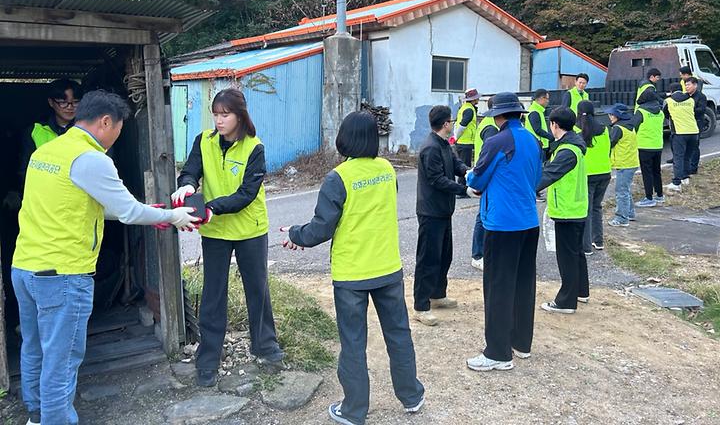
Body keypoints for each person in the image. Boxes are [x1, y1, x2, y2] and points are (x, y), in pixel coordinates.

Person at [12, 91, 199, 425]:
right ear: (105, 121)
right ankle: (55, 420)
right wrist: (173, 216)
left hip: (25, 267)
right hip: (62, 273)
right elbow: (127, 211)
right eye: (119, 129)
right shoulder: (91, 158)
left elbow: (80, 205)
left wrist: (152, 213)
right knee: (62, 359)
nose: (116, 138)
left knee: (35, 347)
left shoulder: (47, 152)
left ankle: (37, 414)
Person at [283, 112, 425, 425]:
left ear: (344, 139)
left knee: (353, 342)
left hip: (352, 275)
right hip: (388, 268)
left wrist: (295, 234)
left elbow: (321, 228)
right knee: (399, 335)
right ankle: (411, 396)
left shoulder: (339, 178)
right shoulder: (387, 170)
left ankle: (354, 411)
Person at [173, 88, 284, 387]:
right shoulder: (204, 141)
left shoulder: (254, 148)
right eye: (216, 115)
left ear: (240, 116)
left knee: (257, 290)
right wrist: (185, 186)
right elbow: (191, 170)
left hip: (250, 229)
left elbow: (247, 194)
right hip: (216, 233)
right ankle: (208, 358)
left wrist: (210, 208)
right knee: (213, 294)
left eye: (225, 115)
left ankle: (265, 345)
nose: (219, 121)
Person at [465, 92, 541, 371]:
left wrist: (469, 178)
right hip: (528, 221)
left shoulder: (497, 141)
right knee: (523, 283)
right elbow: (535, 179)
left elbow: (478, 178)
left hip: (502, 224)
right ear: (519, 114)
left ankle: (497, 352)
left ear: (498, 116)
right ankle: (521, 343)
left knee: (498, 286)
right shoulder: (533, 140)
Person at [413, 105, 468, 326]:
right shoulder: (430, 148)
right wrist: (464, 190)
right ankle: (421, 305)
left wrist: (468, 172)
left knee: (444, 255)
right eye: (451, 121)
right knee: (428, 259)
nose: (453, 124)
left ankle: (437, 294)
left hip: (444, 210)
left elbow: (455, 165)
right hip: (430, 212)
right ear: (445, 124)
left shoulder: (444, 144)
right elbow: (437, 180)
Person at [536, 106, 588, 314]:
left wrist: (523, 188)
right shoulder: (573, 144)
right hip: (576, 207)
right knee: (577, 253)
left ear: (554, 125)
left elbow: (549, 174)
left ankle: (566, 301)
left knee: (567, 256)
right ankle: (581, 291)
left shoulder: (567, 151)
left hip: (567, 210)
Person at [3, 79, 83, 213]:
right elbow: (25, 170)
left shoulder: (88, 130)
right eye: (63, 102)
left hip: (78, 203)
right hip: (44, 203)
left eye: (75, 102)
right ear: (51, 103)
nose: (70, 107)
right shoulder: (35, 131)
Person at [576, 101, 611, 255]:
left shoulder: (578, 130)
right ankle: (598, 241)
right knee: (597, 207)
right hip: (605, 172)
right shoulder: (605, 129)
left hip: (588, 175)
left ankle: (586, 247)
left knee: (587, 211)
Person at [470, 97, 499, 271]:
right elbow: (489, 156)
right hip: (486, 175)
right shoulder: (490, 128)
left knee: (485, 214)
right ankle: (478, 255)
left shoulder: (489, 124)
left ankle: (483, 252)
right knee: (482, 216)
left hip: (485, 173)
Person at [664, 81, 700, 193]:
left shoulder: (668, 101)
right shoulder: (691, 100)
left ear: (670, 91)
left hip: (679, 133)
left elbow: (665, 114)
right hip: (694, 132)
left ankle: (676, 183)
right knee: (687, 156)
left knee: (678, 157)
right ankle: (685, 177)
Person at [607, 103, 639, 227]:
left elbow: (610, 143)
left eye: (611, 114)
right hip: (632, 162)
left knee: (621, 191)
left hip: (624, 163)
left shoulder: (618, 128)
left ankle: (622, 218)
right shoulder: (630, 126)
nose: (610, 116)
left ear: (617, 116)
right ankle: (630, 213)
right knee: (625, 189)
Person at [634, 87, 665, 208]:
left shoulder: (641, 112)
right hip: (658, 145)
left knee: (646, 172)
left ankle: (649, 197)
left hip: (644, 146)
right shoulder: (660, 112)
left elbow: (634, 127)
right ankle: (660, 195)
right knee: (656, 171)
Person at [453, 88, 481, 192]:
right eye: (476, 98)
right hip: (465, 142)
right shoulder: (469, 110)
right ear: (474, 99)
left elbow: (457, 124)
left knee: (462, 164)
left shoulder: (464, 107)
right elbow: (462, 125)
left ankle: (463, 188)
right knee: (464, 166)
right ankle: (462, 189)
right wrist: (456, 137)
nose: (478, 99)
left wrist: (456, 137)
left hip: (462, 142)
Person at [686, 77, 707, 176]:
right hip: (686, 124)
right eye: (686, 85)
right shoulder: (685, 96)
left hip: (697, 122)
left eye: (688, 85)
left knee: (694, 145)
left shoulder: (701, 96)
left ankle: (693, 167)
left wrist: (689, 111)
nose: (687, 87)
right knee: (686, 145)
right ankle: (686, 166)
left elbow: (702, 109)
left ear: (695, 85)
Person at [524, 88, 555, 155]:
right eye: (546, 98)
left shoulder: (538, 110)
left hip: (538, 145)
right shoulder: (534, 111)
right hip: (538, 146)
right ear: (541, 98)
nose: (548, 101)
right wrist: (551, 137)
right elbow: (537, 130)